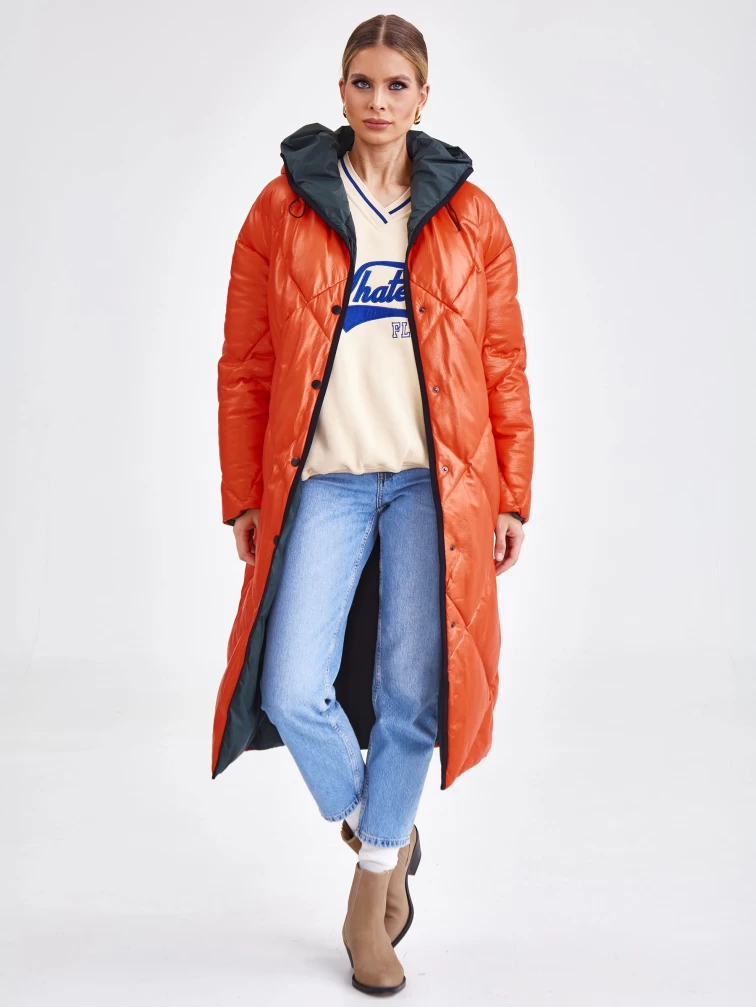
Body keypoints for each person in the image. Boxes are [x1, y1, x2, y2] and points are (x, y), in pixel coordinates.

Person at [212, 13, 534, 997]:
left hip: (436, 487)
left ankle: (367, 907)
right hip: (329, 479)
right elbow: (246, 362)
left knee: (409, 694)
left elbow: (503, 362)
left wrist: (513, 493)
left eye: (398, 85)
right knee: (290, 685)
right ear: (341, 90)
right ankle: (381, 825)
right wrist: (242, 492)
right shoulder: (284, 208)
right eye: (363, 82)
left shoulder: (471, 217)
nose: (379, 101)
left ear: (424, 96)